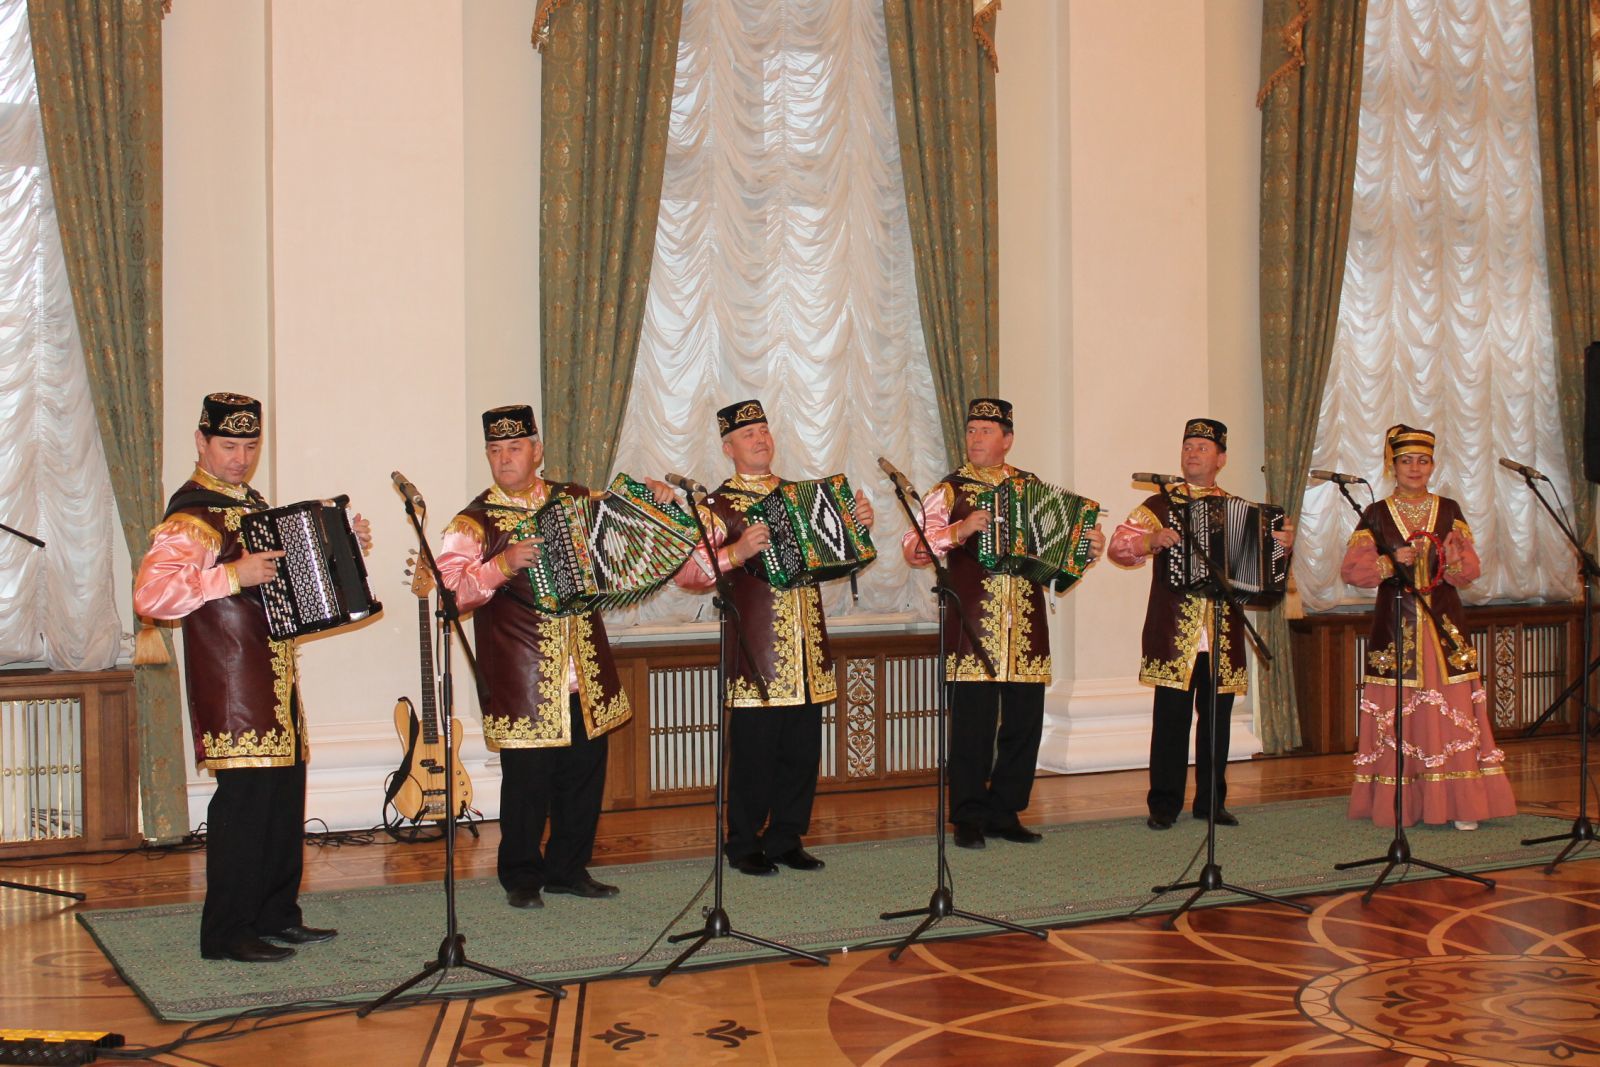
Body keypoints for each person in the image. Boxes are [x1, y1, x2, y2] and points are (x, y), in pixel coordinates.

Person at [134, 392, 371, 963]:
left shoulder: (250, 505)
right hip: (232, 683)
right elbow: (151, 595)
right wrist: (230, 576)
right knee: (243, 807)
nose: (240, 458)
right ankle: (225, 933)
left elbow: (283, 585)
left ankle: (275, 914)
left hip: (275, 678)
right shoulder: (192, 517)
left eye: (249, 446)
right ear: (201, 442)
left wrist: (343, 551)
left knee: (282, 799)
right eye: (228, 445)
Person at [438, 405, 666, 908]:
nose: (504, 459)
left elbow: (625, 541)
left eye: (514, 448)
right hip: (523, 676)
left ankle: (569, 868)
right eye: (495, 451)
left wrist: (656, 501)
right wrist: (500, 565)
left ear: (537, 451)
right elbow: (446, 595)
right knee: (527, 786)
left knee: (583, 778)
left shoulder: (575, 500)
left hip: (583, 667)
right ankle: (521, 876)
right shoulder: (473, 522)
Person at [672, 399, 874, 875]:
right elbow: (687, 574)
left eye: (764, 429)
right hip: (755, 649)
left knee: (801, 750)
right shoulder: (716, 507)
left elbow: (835, 556)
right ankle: (742, 843)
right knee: (755, 752)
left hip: (807, 644)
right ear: (728, 447)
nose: (760, 439)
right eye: (748, 434)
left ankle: (786, 837)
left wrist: (856, 526)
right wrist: (736, 552)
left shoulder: (801, 494)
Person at [901, 398, 1104, 849]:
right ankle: (968, 817)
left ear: (1007, 440)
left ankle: (1006, 811)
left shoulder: (1031, 487)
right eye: (972, 429)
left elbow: (1054, 553)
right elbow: (912, 548)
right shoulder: (948, 491)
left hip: (1026, 625)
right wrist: (960, 530)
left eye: (986, 431)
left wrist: (1086, 550)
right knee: (972, 725)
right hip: (973, 626)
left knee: (1023, 722)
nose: (975, 437)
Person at [1108, 418, 1293, 830]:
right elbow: (1118, 547)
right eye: (1188, 445)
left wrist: (1281, 548)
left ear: (1221, 459)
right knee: (1170, 722)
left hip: (1223, 634)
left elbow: (1265, 578)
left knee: (1217, 722)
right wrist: (1148, 542)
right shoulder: (1159, 504)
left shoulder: (1241, 510)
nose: (1192, 453)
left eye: (1202, 448)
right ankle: (1164, 804)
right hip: (1175, 632)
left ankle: (1212, 802)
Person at [1340, 424, 1516, 829]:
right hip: (1395, 624)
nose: (1414, 468)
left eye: (1422, 460)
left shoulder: (1449, 509)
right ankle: (1403, 803)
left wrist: (1452, 559)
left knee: (1451, 705)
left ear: (1432, 465)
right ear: (1393, 466)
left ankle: (1459, 803)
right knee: (1399, 709)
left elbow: (1468, 570)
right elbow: (1353, 569)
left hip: (1443, 625)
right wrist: (1391, 561)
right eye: (1406, 461)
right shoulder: (1377, 513)